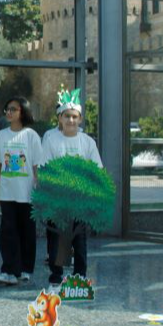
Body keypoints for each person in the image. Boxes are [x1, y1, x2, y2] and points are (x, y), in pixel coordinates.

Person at [42, 89, 102, 290]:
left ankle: (79, 279)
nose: (71, 120)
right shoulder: (51, 140)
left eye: (74, 116)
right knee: (58, 240)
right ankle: (56, 278)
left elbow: (96, 171)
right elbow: (45, 169)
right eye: (67, 116)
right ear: (60, 118)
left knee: (80, 240)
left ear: (80, 119)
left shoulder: (87, 142)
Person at [0, 97, 43, 286]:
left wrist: (39, 191)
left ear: (23, 112)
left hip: (26, 192)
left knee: (27, 231)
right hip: (7, 192)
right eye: (7, 109)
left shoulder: (31, 136)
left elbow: (37, 165)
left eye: (13, 109)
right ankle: (8, 270)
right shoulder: (1, 136)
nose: (9, 112)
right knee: (8, 231)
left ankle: (25, 269)